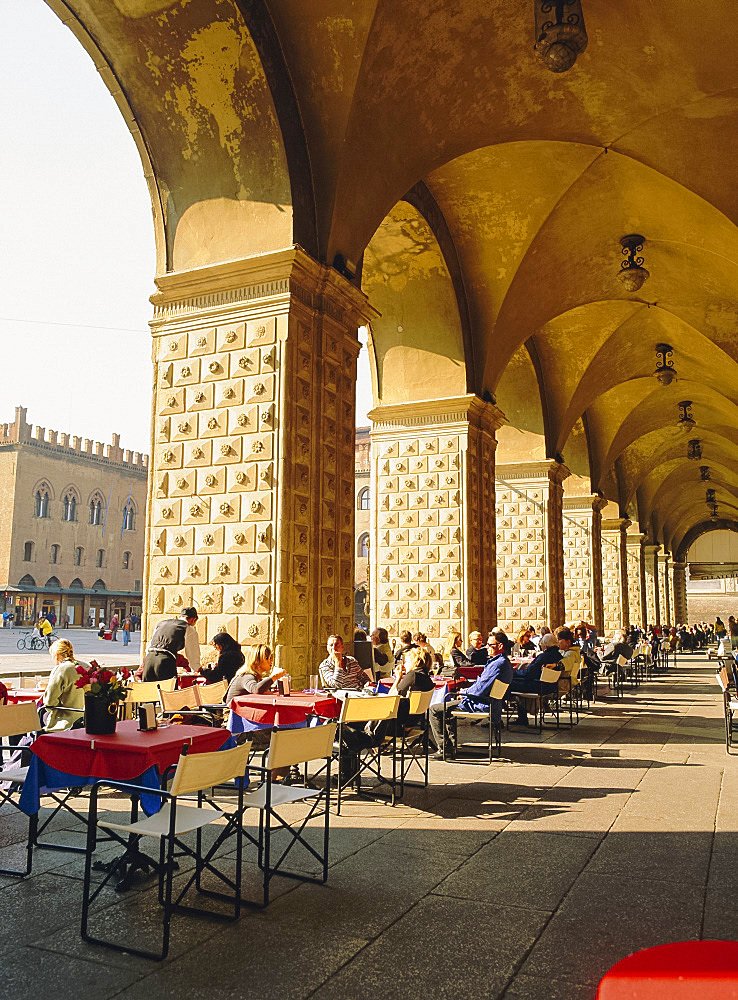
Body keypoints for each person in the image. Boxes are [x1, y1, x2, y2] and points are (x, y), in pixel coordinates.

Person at [428, 630, 514, 758]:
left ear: (500, 646)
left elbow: (480, 688)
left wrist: (464, 692)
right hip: (491, 702)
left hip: (480, 703)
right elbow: (481, 684)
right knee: (447, 707)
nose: (487, 648)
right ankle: (450, 745)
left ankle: (444, 748)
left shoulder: (497, 664)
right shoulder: (503, 662)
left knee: (434, 709)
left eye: (490, 645)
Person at [509, 632, 563, 725]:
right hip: (551, 686)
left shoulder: (543, 656)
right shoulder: (559, 656)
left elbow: (528, 673)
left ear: (545, 646)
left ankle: (517, 716)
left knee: (508, 684)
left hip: (539, 686)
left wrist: (513, 673)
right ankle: (522, 716)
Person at [142, 607, 201, 682]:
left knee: (149, 691)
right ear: (193, 619)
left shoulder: (161, 624)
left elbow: (150, 645)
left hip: (149, 659)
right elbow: (192, 652)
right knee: (169, 692)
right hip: (165, 661)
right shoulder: (188, 628)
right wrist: (196, 668)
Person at [42, 638, 88, 731]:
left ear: (57, 655)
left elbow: (49, 703)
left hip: (66, 722)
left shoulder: (61, 669)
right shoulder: (86, 666)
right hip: (85, 719)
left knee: (36, 716)